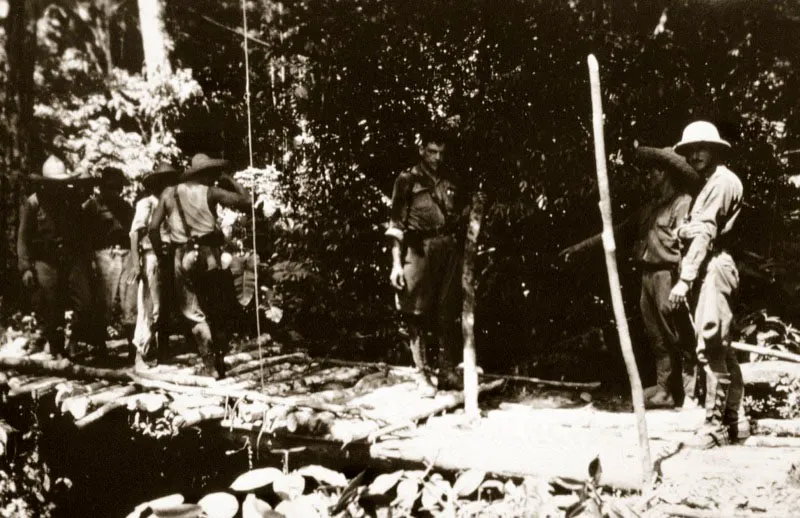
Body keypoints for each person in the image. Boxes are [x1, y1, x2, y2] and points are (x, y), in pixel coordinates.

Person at [560, 145, 700, 408]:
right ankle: (665, 390)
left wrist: (685, 280)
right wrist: (580, 249)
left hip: (668, 277)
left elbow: (690, 242)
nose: (648, 177)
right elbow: (617, 232)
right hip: (648, 277)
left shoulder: (683, 203)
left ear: (667, 174)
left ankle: (690, 394)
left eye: (654, 172)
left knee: (679, 336)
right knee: (656, 336)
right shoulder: (649, 208)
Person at [668, 121, 746, 448]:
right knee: (721, 344)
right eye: (690, 150)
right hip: (713, 265)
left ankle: (716, 426)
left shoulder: (721, 183)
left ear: (715, 150)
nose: (695, 155)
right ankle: (734, 421)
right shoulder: (709, 183)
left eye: (702, 148)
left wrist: (685, 279)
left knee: (711, 343)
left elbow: (702, 233)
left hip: (714, 266)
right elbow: (694, 228)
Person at [148, 153, 250, 378]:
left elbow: (153, 229)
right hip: (209, 255)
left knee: (193, 312)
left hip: (181, 255)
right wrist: (230, 179)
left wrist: (161, 254)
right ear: (207, 174)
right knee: (216, 309)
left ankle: (209, 365)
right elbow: (247, 201)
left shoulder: (168, 193)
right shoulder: (210, 192)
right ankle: (220, 364)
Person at [386, 129, 464, 396]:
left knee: (447, 309)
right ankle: (421, 374)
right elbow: (396, 225)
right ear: (421, 151)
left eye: (441, 152)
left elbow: (457, 214)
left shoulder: (450, 178)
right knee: (415, 312)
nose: (437, 157)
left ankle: (446, 370)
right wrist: (396, 264)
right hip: (418, 249)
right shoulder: (407, 180)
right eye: (432, 151)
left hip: (447, 248)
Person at [17, 156, 106, 358]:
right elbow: (23, 238)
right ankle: (57, 349)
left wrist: (88, 259)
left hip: (72, 257)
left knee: (85, 301)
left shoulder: (70, 199)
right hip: (45, 259)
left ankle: (74, 339)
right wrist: (26, 268)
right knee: (50, 306)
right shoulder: (33, 203)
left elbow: (81, 230)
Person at [126, 163, 179, 369]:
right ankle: (141, 352)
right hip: (152, 257)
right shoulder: (147, 203)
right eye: (163, 180)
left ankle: (162, 351)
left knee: (164, 305)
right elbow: (135, 233)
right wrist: (135, 263)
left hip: (169, 256)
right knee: (149, 304)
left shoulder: (172, 202)